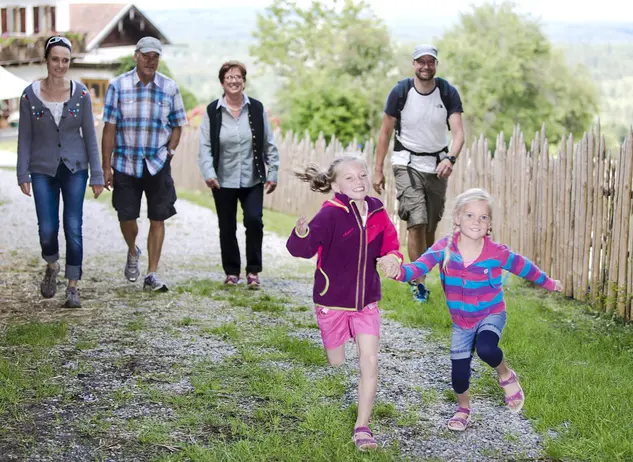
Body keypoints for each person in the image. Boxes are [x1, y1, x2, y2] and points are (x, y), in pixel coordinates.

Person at [378, 188, 563, 431]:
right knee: (459, 374)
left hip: (491, 313)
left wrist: (549, 283)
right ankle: (463, 408)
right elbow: (419, 267)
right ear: (456, 217)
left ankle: (505, 374)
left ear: (489, 224)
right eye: (469, 215)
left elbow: (524, 267)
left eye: (483, 217)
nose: (476, 221)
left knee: (487, 348)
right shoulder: (445, 248)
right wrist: (399, 272)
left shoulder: (496, 253)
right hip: (461, 321)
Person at [286, 156, 403, 450]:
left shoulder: (377, 211)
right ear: (335, 184)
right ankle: (342, 338)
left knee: (370, 360)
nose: (359, 181)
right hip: (333, 302)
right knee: (336, 361)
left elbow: (391, 244)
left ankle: (362, 426)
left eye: (362, 175)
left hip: (367, 302)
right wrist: (301, 234)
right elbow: (304, 249)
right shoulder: (330, 214)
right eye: (349, 178)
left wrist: (392, 258)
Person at [16, 35, 104, 308]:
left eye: (65, 60)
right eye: (55, 59)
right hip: (42, 168)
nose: (60, 65)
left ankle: (73, 286)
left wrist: (98, 174)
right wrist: (22, 173)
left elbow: (90, 135)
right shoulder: (30, 94)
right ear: (46, 60)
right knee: (47, 228)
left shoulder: (81, 94)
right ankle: (52, 264)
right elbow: (25, 137)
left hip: (75, 167)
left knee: (73, 226)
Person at [373, 44, 465, 303]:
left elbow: (458, 132)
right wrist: (378, 170)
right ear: (413, 64)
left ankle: (421, 271)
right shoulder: (400, 92)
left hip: (437, 165)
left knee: (431, 227)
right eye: (420, 61)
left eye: (430, 61)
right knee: (417, 221)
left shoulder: (447, 92)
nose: (425, 66)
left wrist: (450, 158)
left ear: (436, 64)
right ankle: (418, 283)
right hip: (406, 162)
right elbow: (385, 133)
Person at [101, 36, 187, 292]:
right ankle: (132, 248)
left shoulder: (169, 88)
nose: (151, 61)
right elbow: (109, 129)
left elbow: (178, 124)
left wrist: (169, 152)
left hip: (157, 163)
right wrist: (106, 166)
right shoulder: (118, 86)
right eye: (146, 55)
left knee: (158, 217)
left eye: (156, 56)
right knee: (126, 217)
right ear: (135, 56)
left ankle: (151, 274)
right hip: (126, 164)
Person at [198, 60, 279, 288]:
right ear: (222, 83)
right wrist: (208, 172)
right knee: (227, 225)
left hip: (252, 177)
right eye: (229, 77)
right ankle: (232, 271)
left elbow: (268, 143)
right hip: (222, 179)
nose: (234, 81)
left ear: (244, 81)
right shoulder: (213, 111)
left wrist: (272, 172)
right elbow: (204, 146)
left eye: (238, 77)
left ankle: (253, 271)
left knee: (254, 221)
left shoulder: (256, 108)